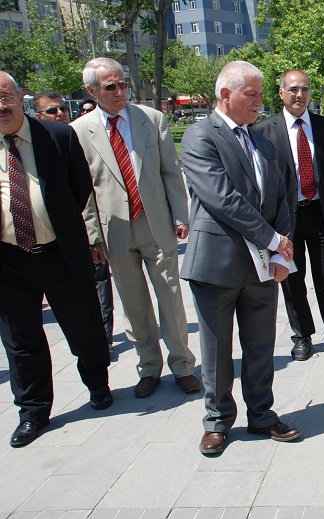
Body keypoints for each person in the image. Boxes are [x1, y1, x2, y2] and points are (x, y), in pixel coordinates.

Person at [181, 61, 301, 455]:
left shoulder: (261, 140)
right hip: (216, 265)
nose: (259, 102)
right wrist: (271, 238)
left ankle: (262, 416)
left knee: (261, 345)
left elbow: (282, 195)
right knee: (216, 352)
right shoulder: (200, 136)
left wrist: (281, 248)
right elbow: (221, 198)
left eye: (261, 94)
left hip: (262, 267)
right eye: (251, 95)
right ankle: (217, 422)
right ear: (225, 95)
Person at [71, 57, 200, 398]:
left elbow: (170, 172)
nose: (119, 92)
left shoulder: (150, 119)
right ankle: (149, 368)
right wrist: (92, 236)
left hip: (154, 224)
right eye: (109, 87)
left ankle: (183, 365)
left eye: (122, 84)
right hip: (114, 231)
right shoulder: (80, 131)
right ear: (91, 90)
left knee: (170, 299)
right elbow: (83, 190)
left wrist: (180, 215)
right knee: (133, 305)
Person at [0, 71, 113, 448]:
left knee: (83, 325)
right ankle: (33, 411)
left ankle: (97, 384)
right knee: (20, 339)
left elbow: (80, 188)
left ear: (21, 99)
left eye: (6, 97)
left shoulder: (58, 136)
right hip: (8, 258)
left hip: (58, 251)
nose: (1, 106)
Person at [254, 70, 324, 362]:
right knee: (291, 278)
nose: (299, 95)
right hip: (286, 219)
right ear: (281, 93)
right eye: (294, 89)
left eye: (305, 90)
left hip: (322, 213)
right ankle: (302, 336)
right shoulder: (264, 131)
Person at [36, 92, 115, 353]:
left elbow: (84, 189)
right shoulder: (33, 146)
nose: (59, 113)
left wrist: (88, 230)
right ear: (39, 116)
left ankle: (104, 337)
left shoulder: (73, 136)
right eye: (51, 111)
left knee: (98, 285)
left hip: (80, 234)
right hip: (37, 246)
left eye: (61, 108)